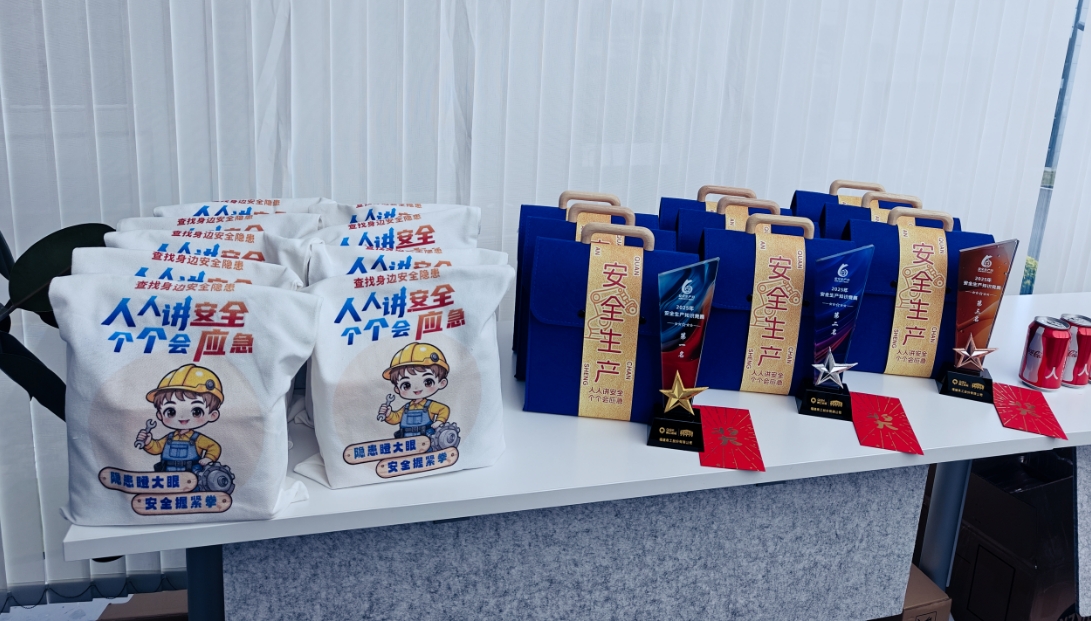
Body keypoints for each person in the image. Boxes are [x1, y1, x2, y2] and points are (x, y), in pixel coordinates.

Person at [136, 364, 223, 473]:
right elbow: (157, 448)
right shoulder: (169, 438)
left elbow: (214, 447)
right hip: (167, 476)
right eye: (171, 412)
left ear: (212, 415)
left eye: (196, 411)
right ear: (160, 415)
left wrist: (208, 458)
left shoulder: (198, 439)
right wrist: (148, 442)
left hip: (191, 477)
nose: (182, 417)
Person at [377, 342, 451, 439]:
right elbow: (396, 418)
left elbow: (444, 409)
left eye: (428, 382)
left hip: (426, 440)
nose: (416, 388)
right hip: (406, 441)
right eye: (406, 385)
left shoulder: (431, 406)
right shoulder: (406, 408)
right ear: (397, 389)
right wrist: (388, 414)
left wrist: (439, 421)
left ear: (442, 383)